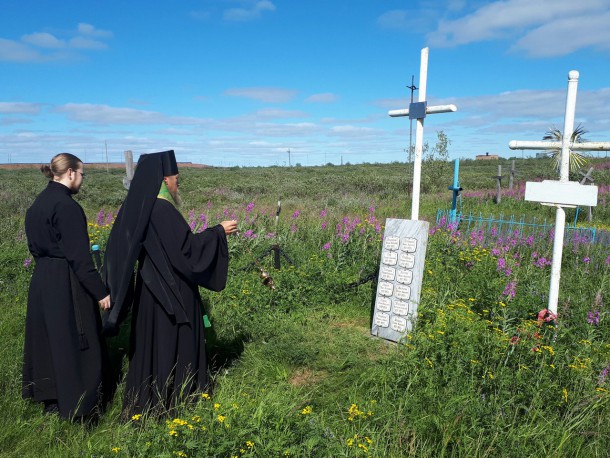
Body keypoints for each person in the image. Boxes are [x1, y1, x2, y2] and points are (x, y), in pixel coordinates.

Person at [102, 150, 237, 416]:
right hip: (173, 291)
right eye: (176, 177)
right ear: (165, 179)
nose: (178, 183)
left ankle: (151, 399)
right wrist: (218, 232)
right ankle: (181, 398)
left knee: (154, 344)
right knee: (174, 341)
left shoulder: (143, 206)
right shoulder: (162, 210)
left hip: (151, 290)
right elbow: (186, 252)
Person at [23, 153, 111, 420]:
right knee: (77, 338)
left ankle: (52, 400)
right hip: (65, 279)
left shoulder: (38, 203)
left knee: (50, 339)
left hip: (42, 279)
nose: (82, 179)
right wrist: (100, 291)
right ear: (71, 172)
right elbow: (79, 258)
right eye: (82, 174)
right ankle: (81, 407)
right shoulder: (67, 207)